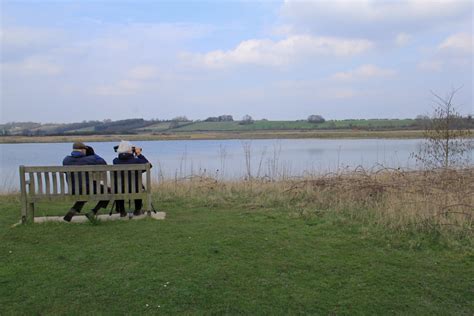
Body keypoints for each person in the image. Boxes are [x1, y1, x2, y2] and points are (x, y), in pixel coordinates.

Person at [62, 142, 109, 222]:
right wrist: (92, 153)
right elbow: (103, 163)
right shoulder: (90, 159)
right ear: (83, 150)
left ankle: (72, 211)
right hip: (87, 188)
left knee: (85, 191)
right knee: (108, 191)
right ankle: (93, 212)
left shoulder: (66, 160)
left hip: (73, 189)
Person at [113, 140, 150, 217]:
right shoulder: (136, 161)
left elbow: (122, 157)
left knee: (119, 188)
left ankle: (122, 211)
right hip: (136, 189)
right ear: (131, 150)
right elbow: (148, 166)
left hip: (120, 189)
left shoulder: (115, 161)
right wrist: (138, 154)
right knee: (138, 186)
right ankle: (137, 210)